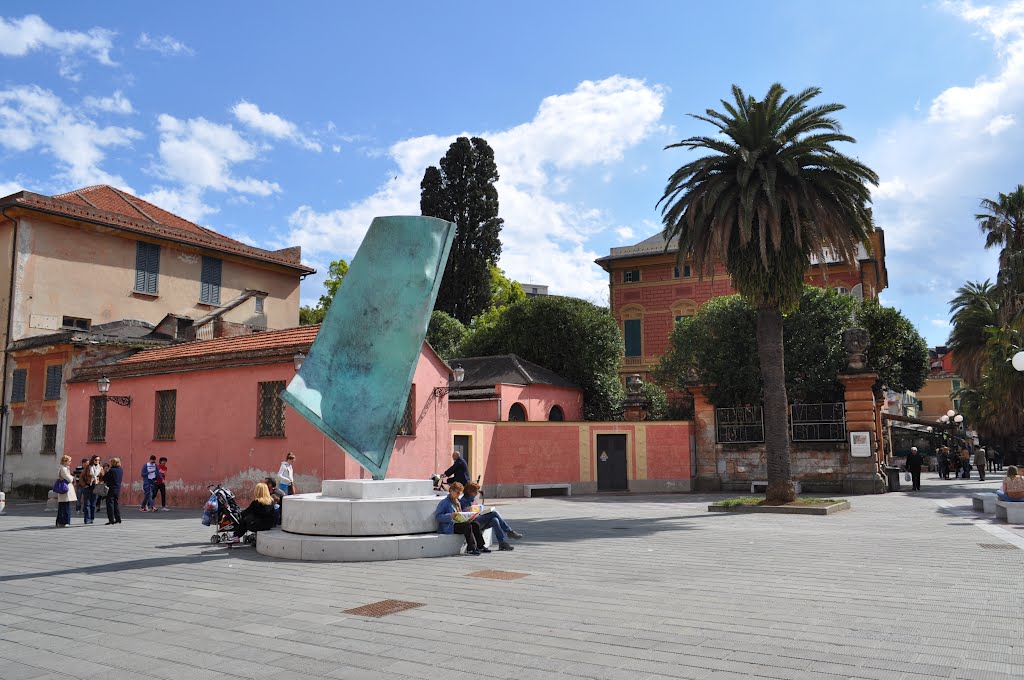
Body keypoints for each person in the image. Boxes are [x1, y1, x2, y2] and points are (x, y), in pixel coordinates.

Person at [459, 481, 522, 551]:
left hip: (478, 519)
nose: (477, 493)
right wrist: (468, 510)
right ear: (469, 491)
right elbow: (463, 514)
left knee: (495, 520)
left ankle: (502, 543)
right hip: (474, 523)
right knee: (494, 513)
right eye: (475, 491)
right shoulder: (463, 501)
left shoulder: (472, 499)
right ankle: (509, 531)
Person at [435, 481, 488, 555]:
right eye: (457, 493)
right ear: (451, 490)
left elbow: (459, 513)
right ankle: (471, 548)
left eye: (460, 493)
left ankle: (480, 546)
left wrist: (466, 511)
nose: (458, 495)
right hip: (448, 526)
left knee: (475, 524)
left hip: (457, 523)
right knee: (467, 526)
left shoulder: (457, 501)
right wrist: (450, 515)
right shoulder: (444, 502)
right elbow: (438, 516)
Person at [80, 454, 102, 524]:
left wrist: (100, 483)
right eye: (96, 460)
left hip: (95, 487)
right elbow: (81, 477)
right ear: (93, 460)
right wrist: (84, 485)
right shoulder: (88, 467)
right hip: (88, 486)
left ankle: (92, 518)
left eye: (98, 460)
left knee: (93, 504)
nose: (97, 461)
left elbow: (102, 478)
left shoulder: (100, 468)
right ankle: (87, 519)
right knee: (87, 504)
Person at [55, 455, 76, 528]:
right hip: (65, 490)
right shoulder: (64, 469)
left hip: (64, 490)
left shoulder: (64, 468)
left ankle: (60, 522)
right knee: (65, 507)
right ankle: (65, 522)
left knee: (62, 506)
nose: (70, 462)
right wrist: (73, 477)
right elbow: (69, 479)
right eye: (69, 461)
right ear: (65, 461)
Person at [103, 457, 123, 524]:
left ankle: (111, 519)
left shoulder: (111, 470)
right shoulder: (120, 469)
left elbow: (104, 478)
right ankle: (118, 518)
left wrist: (106, 471)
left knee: (110, 505)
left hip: (111, 489)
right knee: (116, 504)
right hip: (117, 488)